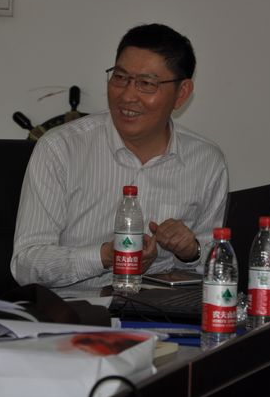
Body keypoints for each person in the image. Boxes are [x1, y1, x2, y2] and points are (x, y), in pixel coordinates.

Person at [11, 23, 229, 288]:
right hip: (74, 307)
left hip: (163, 308)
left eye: (146, 84)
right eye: (120, 78)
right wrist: (104, 256)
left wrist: (191, 252)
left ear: (181, 94)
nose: (127, 95)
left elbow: (216, 268)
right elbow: (26, 265)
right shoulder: (60, 149)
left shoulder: (206, 161)